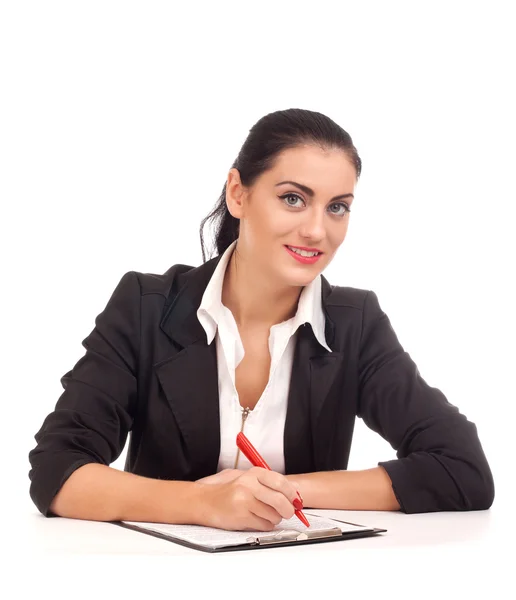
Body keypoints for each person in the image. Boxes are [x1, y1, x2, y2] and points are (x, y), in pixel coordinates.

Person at [28, 108, 495, 532]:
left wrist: (281, 491)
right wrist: (202, 503)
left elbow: (463, 470)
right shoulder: (145, 307)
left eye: (337, 206)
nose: (317, 230)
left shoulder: (355, 324)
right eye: (293, 198)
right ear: (238, 194)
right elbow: (57, 471)